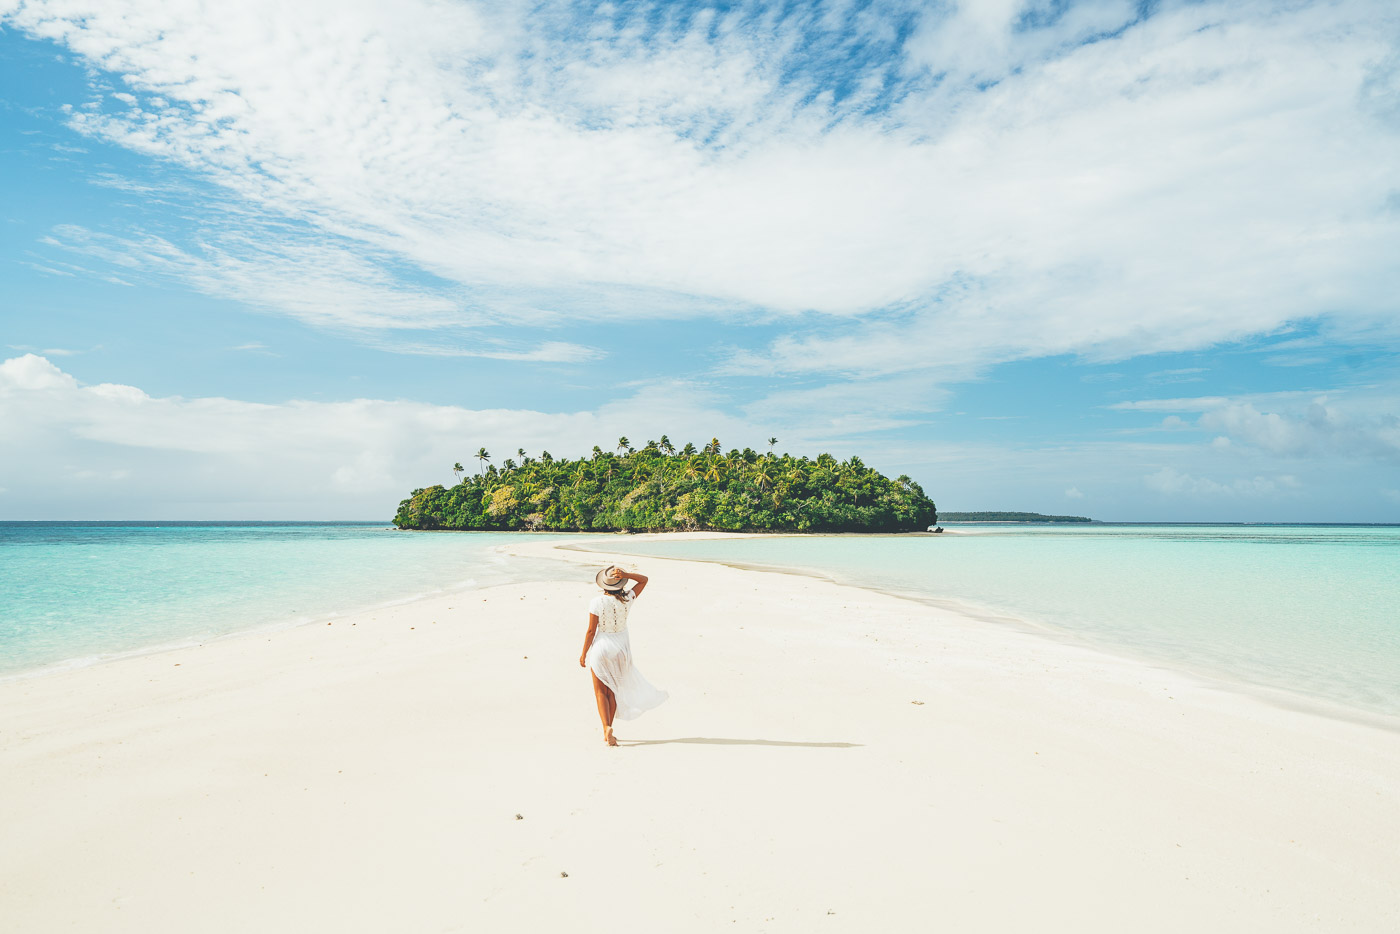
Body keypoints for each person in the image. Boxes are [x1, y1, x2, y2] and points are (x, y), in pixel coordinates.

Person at [579, 565, 668, 746]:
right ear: (621, 583)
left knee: (600, 692)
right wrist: (627, 574)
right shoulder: (628, 598)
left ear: (604, 585)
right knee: (612, 691)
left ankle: (606, 728)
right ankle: (609, 729)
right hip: (621, 650)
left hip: (601, 648)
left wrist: (583, 653)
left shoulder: (596, 602)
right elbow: (644, 580)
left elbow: (591, 631)